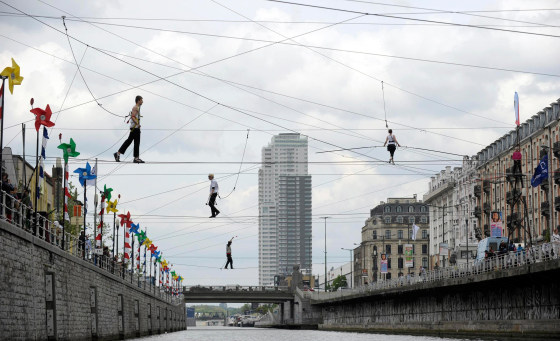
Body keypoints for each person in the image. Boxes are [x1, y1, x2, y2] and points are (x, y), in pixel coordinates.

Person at [114, 95, 144, 163]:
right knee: (136, 142)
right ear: (138, 100)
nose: (142, 101)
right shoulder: (135, 107)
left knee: (129, 141)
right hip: (135, 128)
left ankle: (118, 154)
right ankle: (136, 158)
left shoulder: (137, 107)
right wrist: (137, 124)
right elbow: (133, 117)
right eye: (141, 100)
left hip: (134, 128)